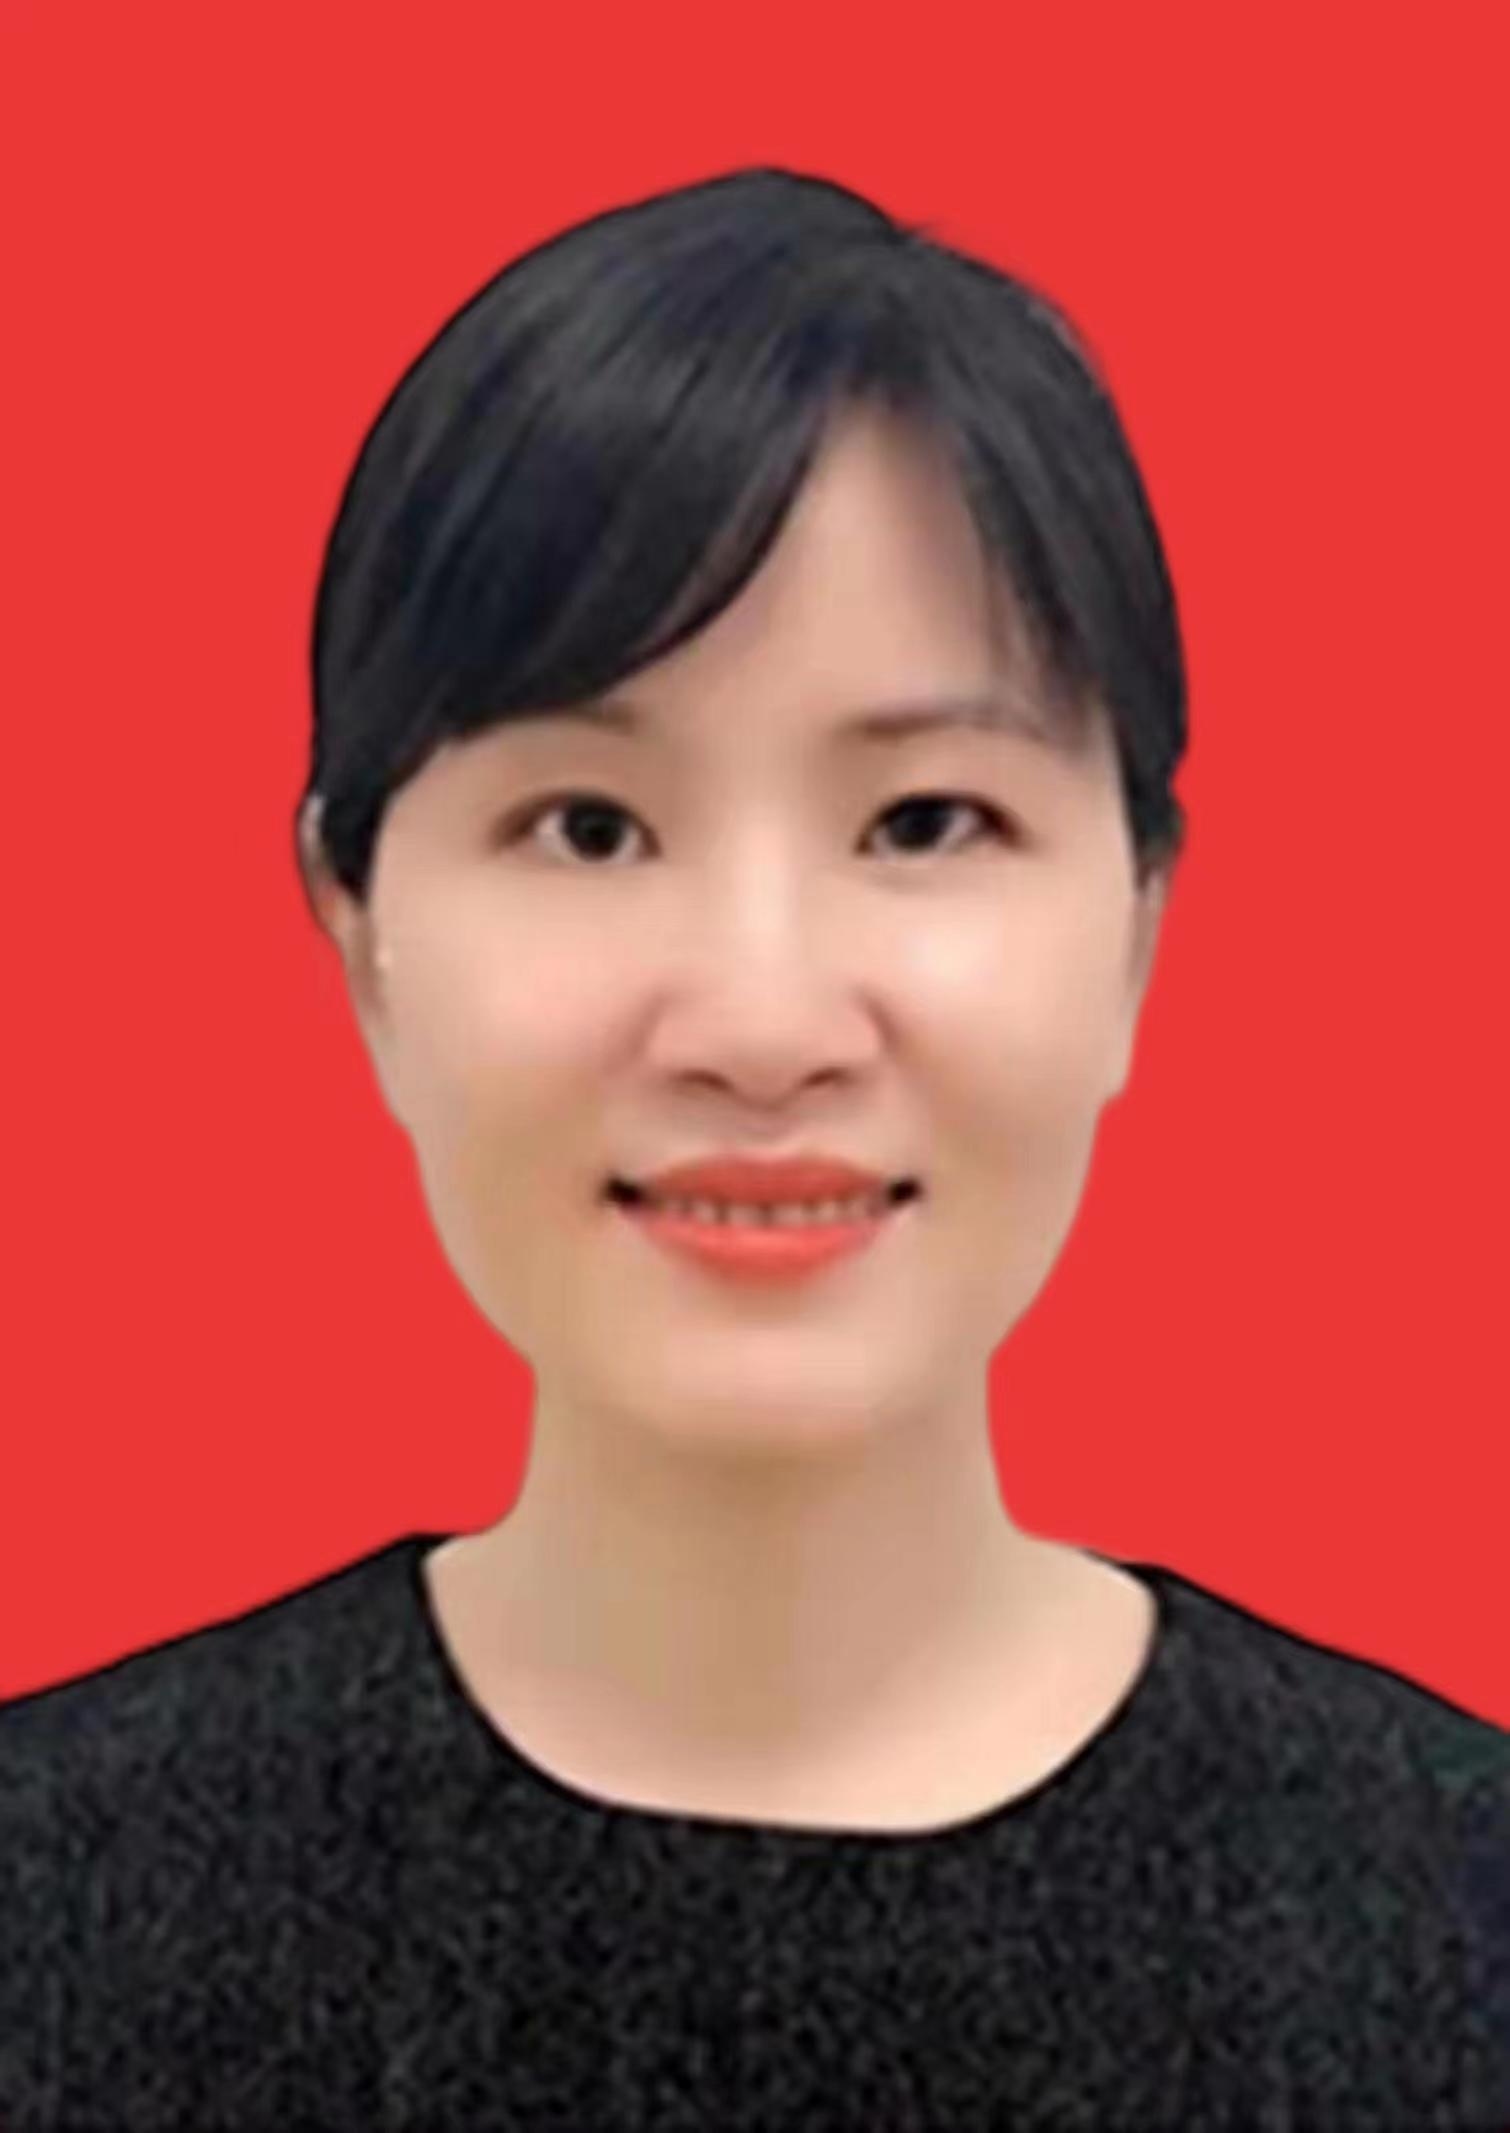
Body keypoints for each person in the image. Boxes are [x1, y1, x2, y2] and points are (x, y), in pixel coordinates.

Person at [1, 165, 1506, 2131]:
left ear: (1137, 923)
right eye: (589, 826)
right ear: (356, 934)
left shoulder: (1451, 1914)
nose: (763, 1024)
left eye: (922, 821)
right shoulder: (56, 1902)